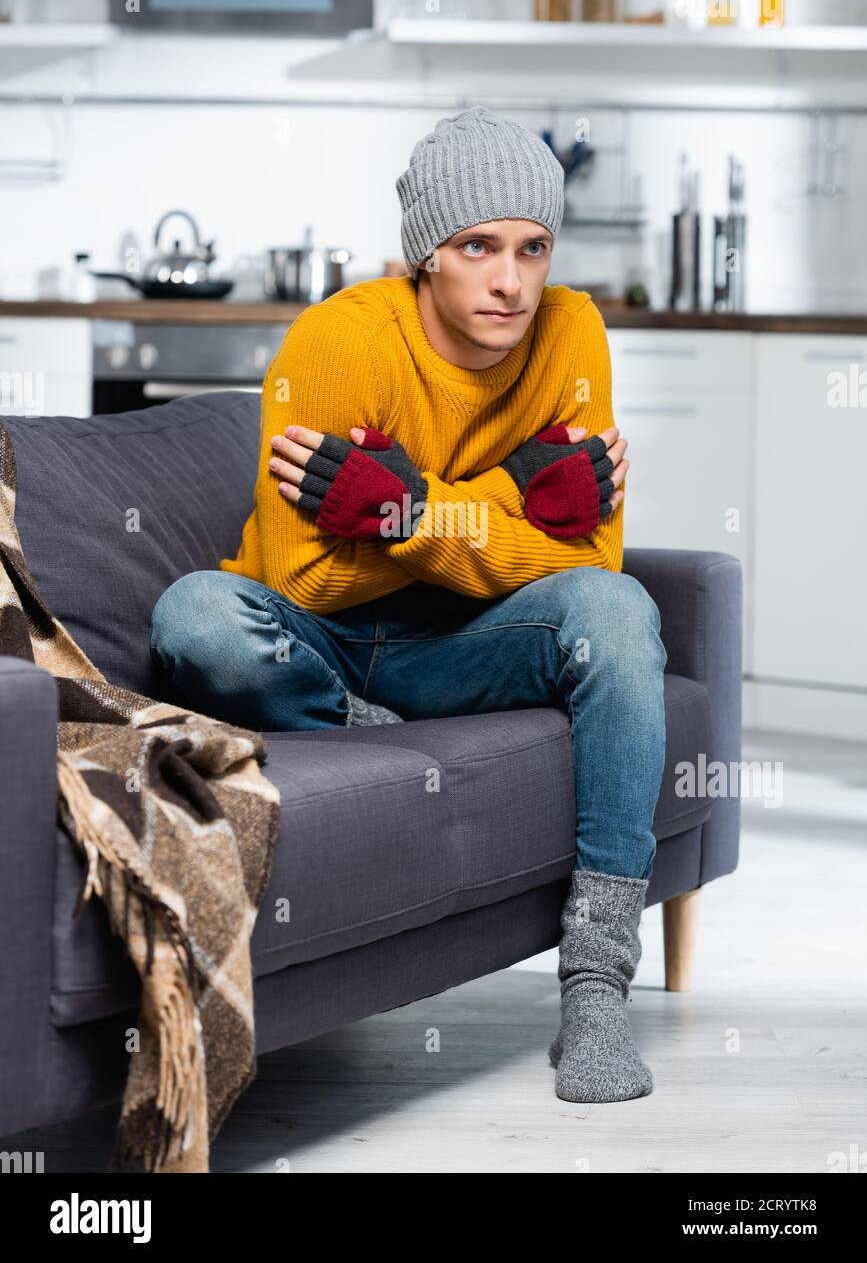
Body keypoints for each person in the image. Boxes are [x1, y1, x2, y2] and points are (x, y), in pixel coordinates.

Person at [149, 105, 667, 1104]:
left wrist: (401, 508)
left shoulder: (573, 335)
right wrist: (513, 496)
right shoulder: (338, 342)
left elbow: (590, 555)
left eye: (532, 248)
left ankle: (598, 984)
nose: (512, 281)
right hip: (316, 649)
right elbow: (306, 583)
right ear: (427, 254)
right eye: (479, 248)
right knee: (197, 616)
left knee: (619, 611)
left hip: (469, 646)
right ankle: (357, 724)